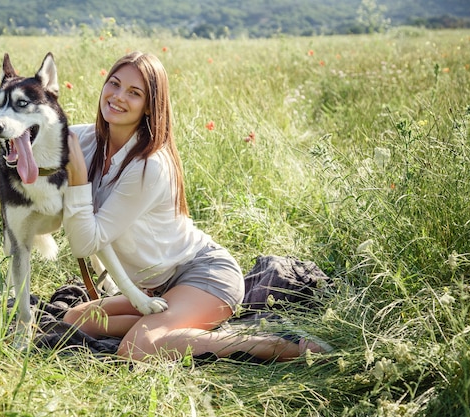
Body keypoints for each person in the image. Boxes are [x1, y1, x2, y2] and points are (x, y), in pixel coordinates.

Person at [62, 51, 327, 362]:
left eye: (134, 93)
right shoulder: (88, 140)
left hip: (204, 276)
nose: (118, 97)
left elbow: (86, 241)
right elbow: (39, 133)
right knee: (74, 321)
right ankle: (175, 330)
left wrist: (78, 176)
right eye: (115, 84)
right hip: (154, 290)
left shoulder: (149, 166)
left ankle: (278, 345)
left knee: (137, 348)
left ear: (150, 105)